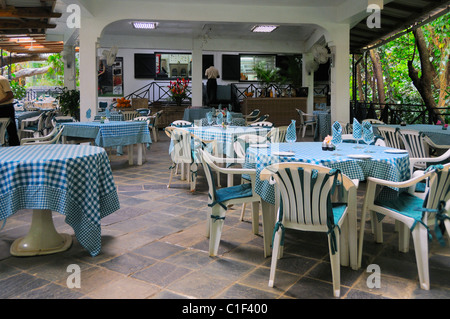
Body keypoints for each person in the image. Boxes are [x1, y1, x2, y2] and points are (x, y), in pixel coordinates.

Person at [0, 75, 20, 146]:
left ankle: (15, 148)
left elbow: (10, 95)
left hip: (5, 108)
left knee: (11, 130)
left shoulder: (2, 80)